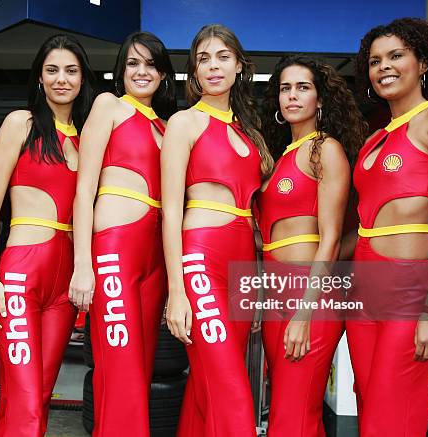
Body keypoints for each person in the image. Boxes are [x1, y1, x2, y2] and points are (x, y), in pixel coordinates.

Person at [347, 17, 428, 436]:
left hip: (409, 291)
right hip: (362, 293)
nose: (384, 66)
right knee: (371, 415)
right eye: (375, 60)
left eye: (396, 56)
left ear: (423, 63)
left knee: (390, 423)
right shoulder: (372, 139)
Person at [0, 34, 95, 437]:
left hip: (64, 286)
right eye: (52, 70)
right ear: (39, 78)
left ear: (83, 79)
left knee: (35, 396)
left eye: (70, 70)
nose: (61, 79)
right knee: (27, 403)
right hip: (20, 274)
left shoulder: (87, 140)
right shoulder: (20, 124)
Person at [162, 24, 273, 437]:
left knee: (206, 389)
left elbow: (258, 221)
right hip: (201, 259)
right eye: (204, 58)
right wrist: (177, 291)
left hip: (242, 265)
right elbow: (171, 212)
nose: (213, 66)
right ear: (193, 70)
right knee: (231, 389)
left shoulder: (252, 133)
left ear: (239, 65)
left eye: (223, 57)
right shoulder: (184, 123)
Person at [69, 31, 176, 437]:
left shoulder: (168, 127)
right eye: (133, 63)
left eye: (151, 64)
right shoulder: (108, 106)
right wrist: (83, 264)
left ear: (164, 74)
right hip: (114, 246)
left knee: (141, 367)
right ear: (121, 70)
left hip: (154, 257)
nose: (142, 71)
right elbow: (83, 190)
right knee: (121, 368)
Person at [258, 55, 366, 437]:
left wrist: (304, 314)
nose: (292, 96)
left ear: (320, 100)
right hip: (275, 295)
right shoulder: (279, 157)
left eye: (303, 87)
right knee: (292, 412)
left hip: (310, 297)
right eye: (285, 88)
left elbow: (332, 239)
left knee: (293, 415)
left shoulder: (326, 150)